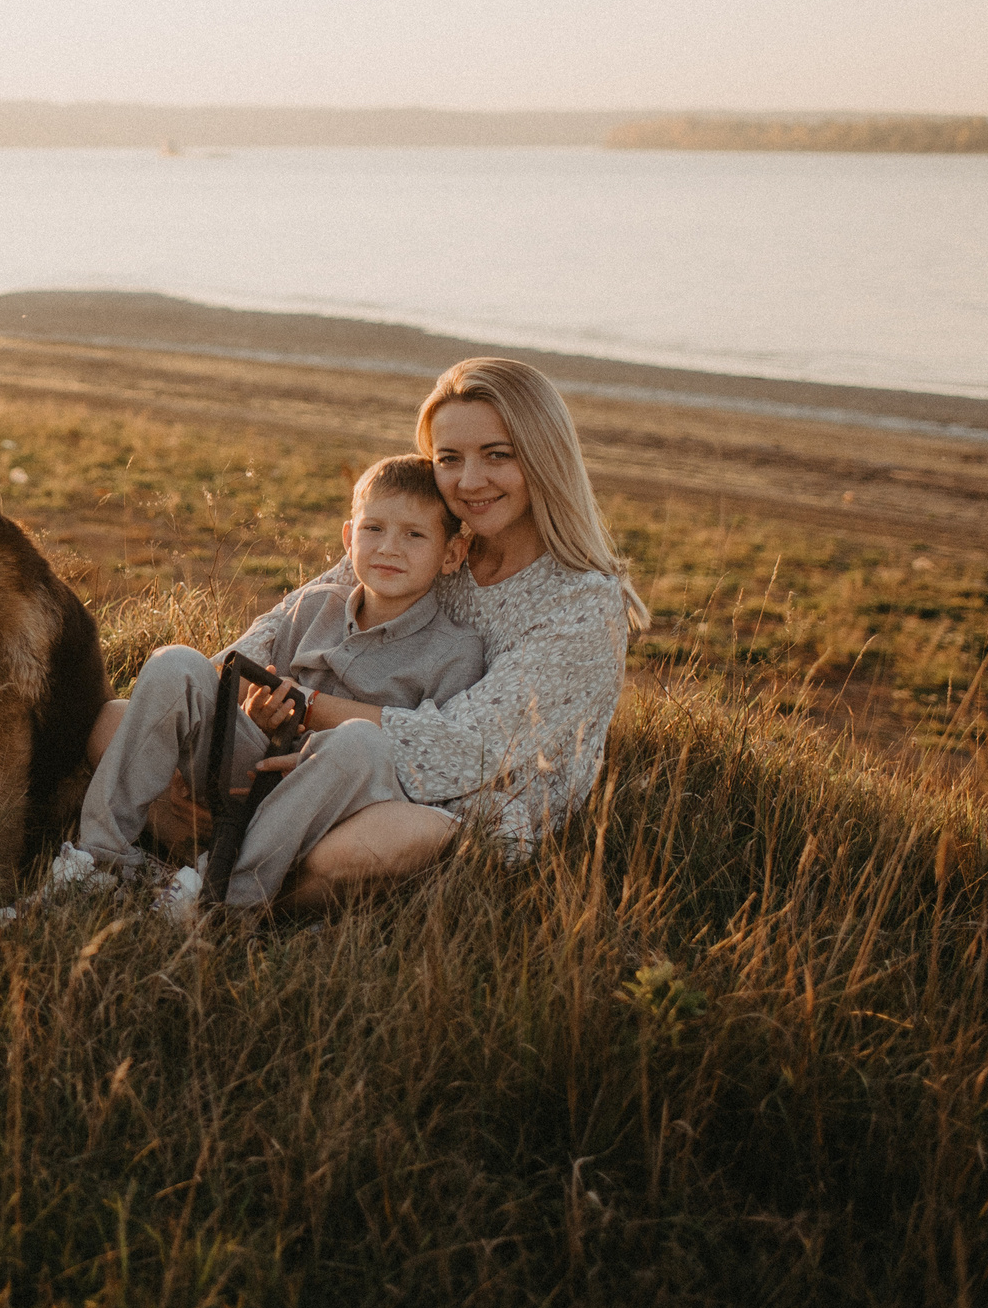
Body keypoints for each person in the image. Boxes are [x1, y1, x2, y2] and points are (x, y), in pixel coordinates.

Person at [85, 356, 645, 911]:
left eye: (497, 455)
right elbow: (281, 622)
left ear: (544, 457)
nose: (470, 481)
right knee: (117, 723)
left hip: (448, 797)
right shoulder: (429, 539)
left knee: (355, 851)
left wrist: (303, 708)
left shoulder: (581, 601)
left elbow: (464, 751)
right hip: (311, 753)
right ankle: (180, 857)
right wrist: (220, 709)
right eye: (449, 458)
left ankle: (225, 898)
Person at [65, 455, 485, 912]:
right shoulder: (313, 607)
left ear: (451, 555)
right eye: (373, 529)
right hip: (260, 767)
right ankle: (93, 864)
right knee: (176, 664)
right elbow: (256, 695)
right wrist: (257, 716)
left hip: (333, 796)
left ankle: (220, 898)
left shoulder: (456, 651)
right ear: (349, 538)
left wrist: (317, 746)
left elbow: (427, 758)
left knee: (361, 741)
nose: (388, 548)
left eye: (414, 535)